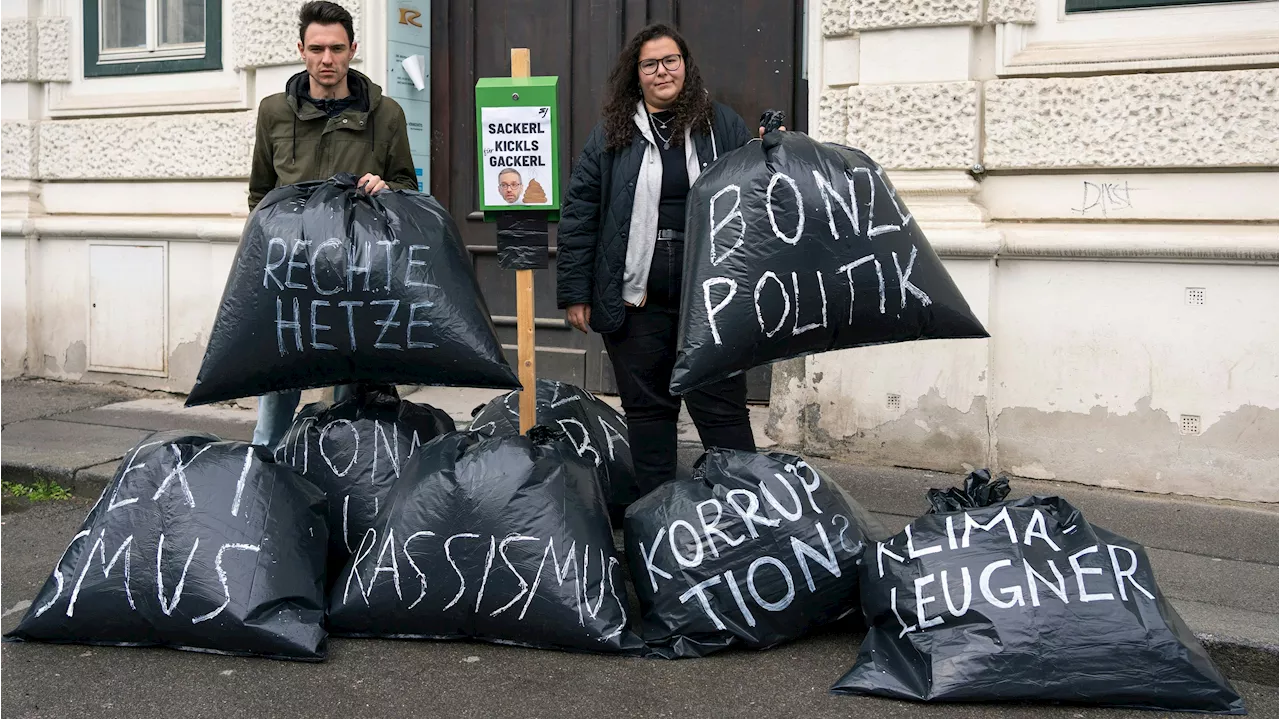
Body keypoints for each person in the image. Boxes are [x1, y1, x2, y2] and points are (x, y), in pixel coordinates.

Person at [557, 23, 772, 495]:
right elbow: (580, 213)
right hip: (638, 296)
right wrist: (576, 291)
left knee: (721, 407)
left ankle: (746, 509)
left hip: (711, 297)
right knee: (648, 410)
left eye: (670, 61)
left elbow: (760, 188)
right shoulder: (611, 134)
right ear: (637, 75)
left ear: (685, 66)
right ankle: (657, 517)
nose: (662, 71)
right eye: (650, 64)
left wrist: (774, 148)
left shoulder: (722, 125)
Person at [246, 0, 418, 447]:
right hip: (292, 275)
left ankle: (344, 485)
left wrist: (388, 188)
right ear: (300, 49)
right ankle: (265, 482)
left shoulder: (387, 114)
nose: (327, 60)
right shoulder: (273, 112)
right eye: (317, 48)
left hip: (357, 277)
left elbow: (407, 189)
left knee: (351, 399)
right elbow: (259, 194)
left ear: (353, 49)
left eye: (337, 49)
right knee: (279, 392)